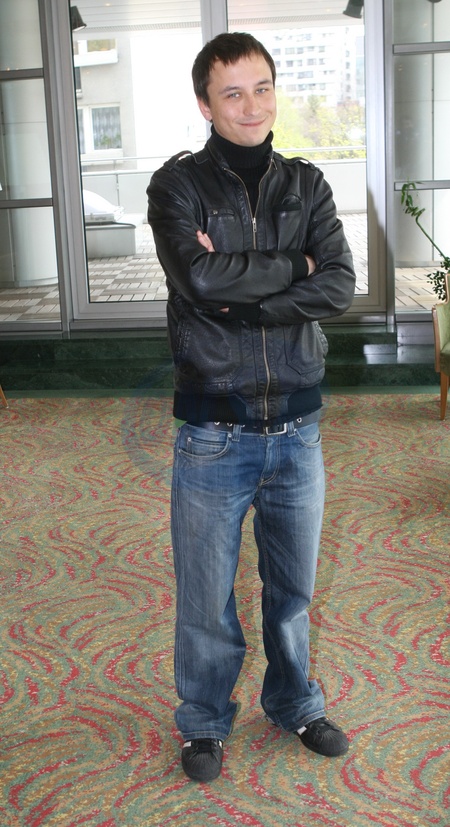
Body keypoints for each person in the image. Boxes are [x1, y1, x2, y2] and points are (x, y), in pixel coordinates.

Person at [147, 32, 356, 783]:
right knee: (206, 597)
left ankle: (294, 701)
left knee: (293, 590)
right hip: (214, 431)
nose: (251, 105)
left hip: (298, 429)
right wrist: (294, 267)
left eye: (262, 87)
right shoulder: (176, 188)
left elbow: (339, 283)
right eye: (232, 92)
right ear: (205, 104)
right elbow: (200, 281)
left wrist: (250, 300)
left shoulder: (307, 183)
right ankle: (203, 720)